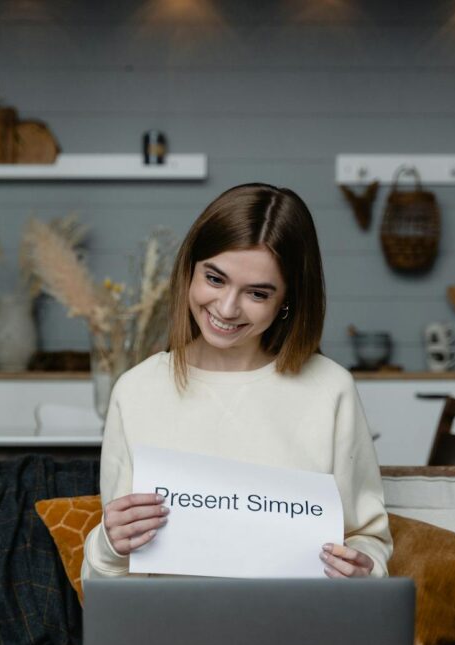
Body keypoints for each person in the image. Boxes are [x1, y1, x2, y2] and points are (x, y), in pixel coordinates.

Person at [81, 182, 392, 580]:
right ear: (189, 270)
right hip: (169, 631)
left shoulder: (331, 390)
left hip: (296, 628)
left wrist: (365, 569)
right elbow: (108, 583)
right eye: (214, 279)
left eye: (257, 293)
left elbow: (368, 539)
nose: (226, 308)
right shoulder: (137, 390)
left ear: (287, 302)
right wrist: (108, 545)